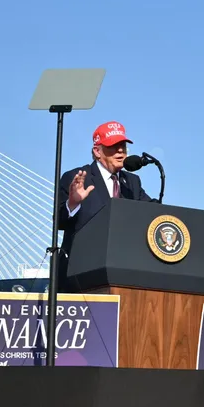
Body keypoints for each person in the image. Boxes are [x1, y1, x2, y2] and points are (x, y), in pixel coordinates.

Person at [57, 121, 154, 289]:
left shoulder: (132, 182)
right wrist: (72, 204)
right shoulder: (77, 178)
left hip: (122, 273)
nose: (120, 151)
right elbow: (59, 222)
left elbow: (150, 211)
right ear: (97, 151)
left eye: (123, 146)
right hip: (81, 276)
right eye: (113, 146)